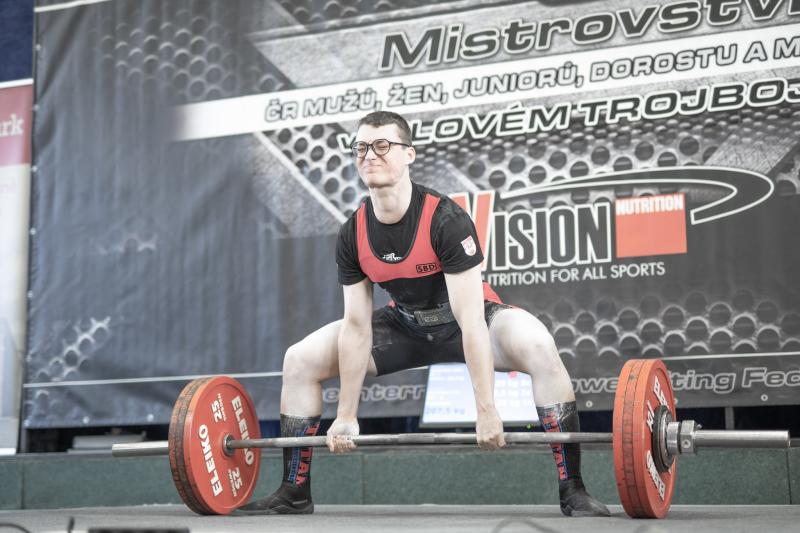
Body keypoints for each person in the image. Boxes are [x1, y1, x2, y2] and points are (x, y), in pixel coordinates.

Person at [237, 111, 610, 517]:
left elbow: (471, 321)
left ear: (409, 154)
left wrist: (486, 410)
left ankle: (573, 489)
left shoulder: (445, 220)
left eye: (382, 145)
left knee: (538, 344)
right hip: (406, 326)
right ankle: (294, 491)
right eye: (361, 147)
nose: (369, 155)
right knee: (299, 359)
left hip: (468, 323)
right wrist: (345, 416)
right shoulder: (353, 233)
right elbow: (357, 327)